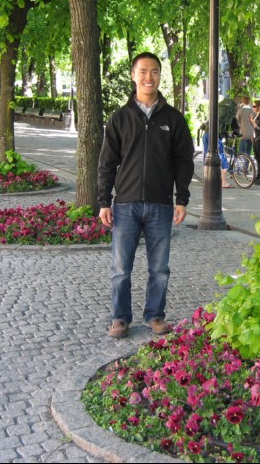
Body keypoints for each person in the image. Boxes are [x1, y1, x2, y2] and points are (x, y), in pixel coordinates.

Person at [98, 52, 194, 339]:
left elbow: (183, 160)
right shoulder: (120, 118)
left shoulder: (173, 119)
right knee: (120, 268)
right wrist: (104, 200)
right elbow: (106, 162)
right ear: (133, 75)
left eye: (153, 72)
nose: (148, 77)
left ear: (159, 76)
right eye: (142, 72)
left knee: (160, 268)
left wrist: (182, 198)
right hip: (125, 204)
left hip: (161, 204)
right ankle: (120, 318)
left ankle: (155, 315)